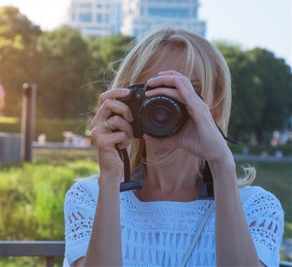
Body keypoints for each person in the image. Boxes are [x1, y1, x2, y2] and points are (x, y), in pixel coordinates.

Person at [63, 28, 284, 266]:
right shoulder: (91, 198)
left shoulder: (256, 207)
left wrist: (222, 165)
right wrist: (110, 178)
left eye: (188, 92)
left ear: (215, 108)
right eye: (153, 90)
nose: (164, 105)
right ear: (124, 101)